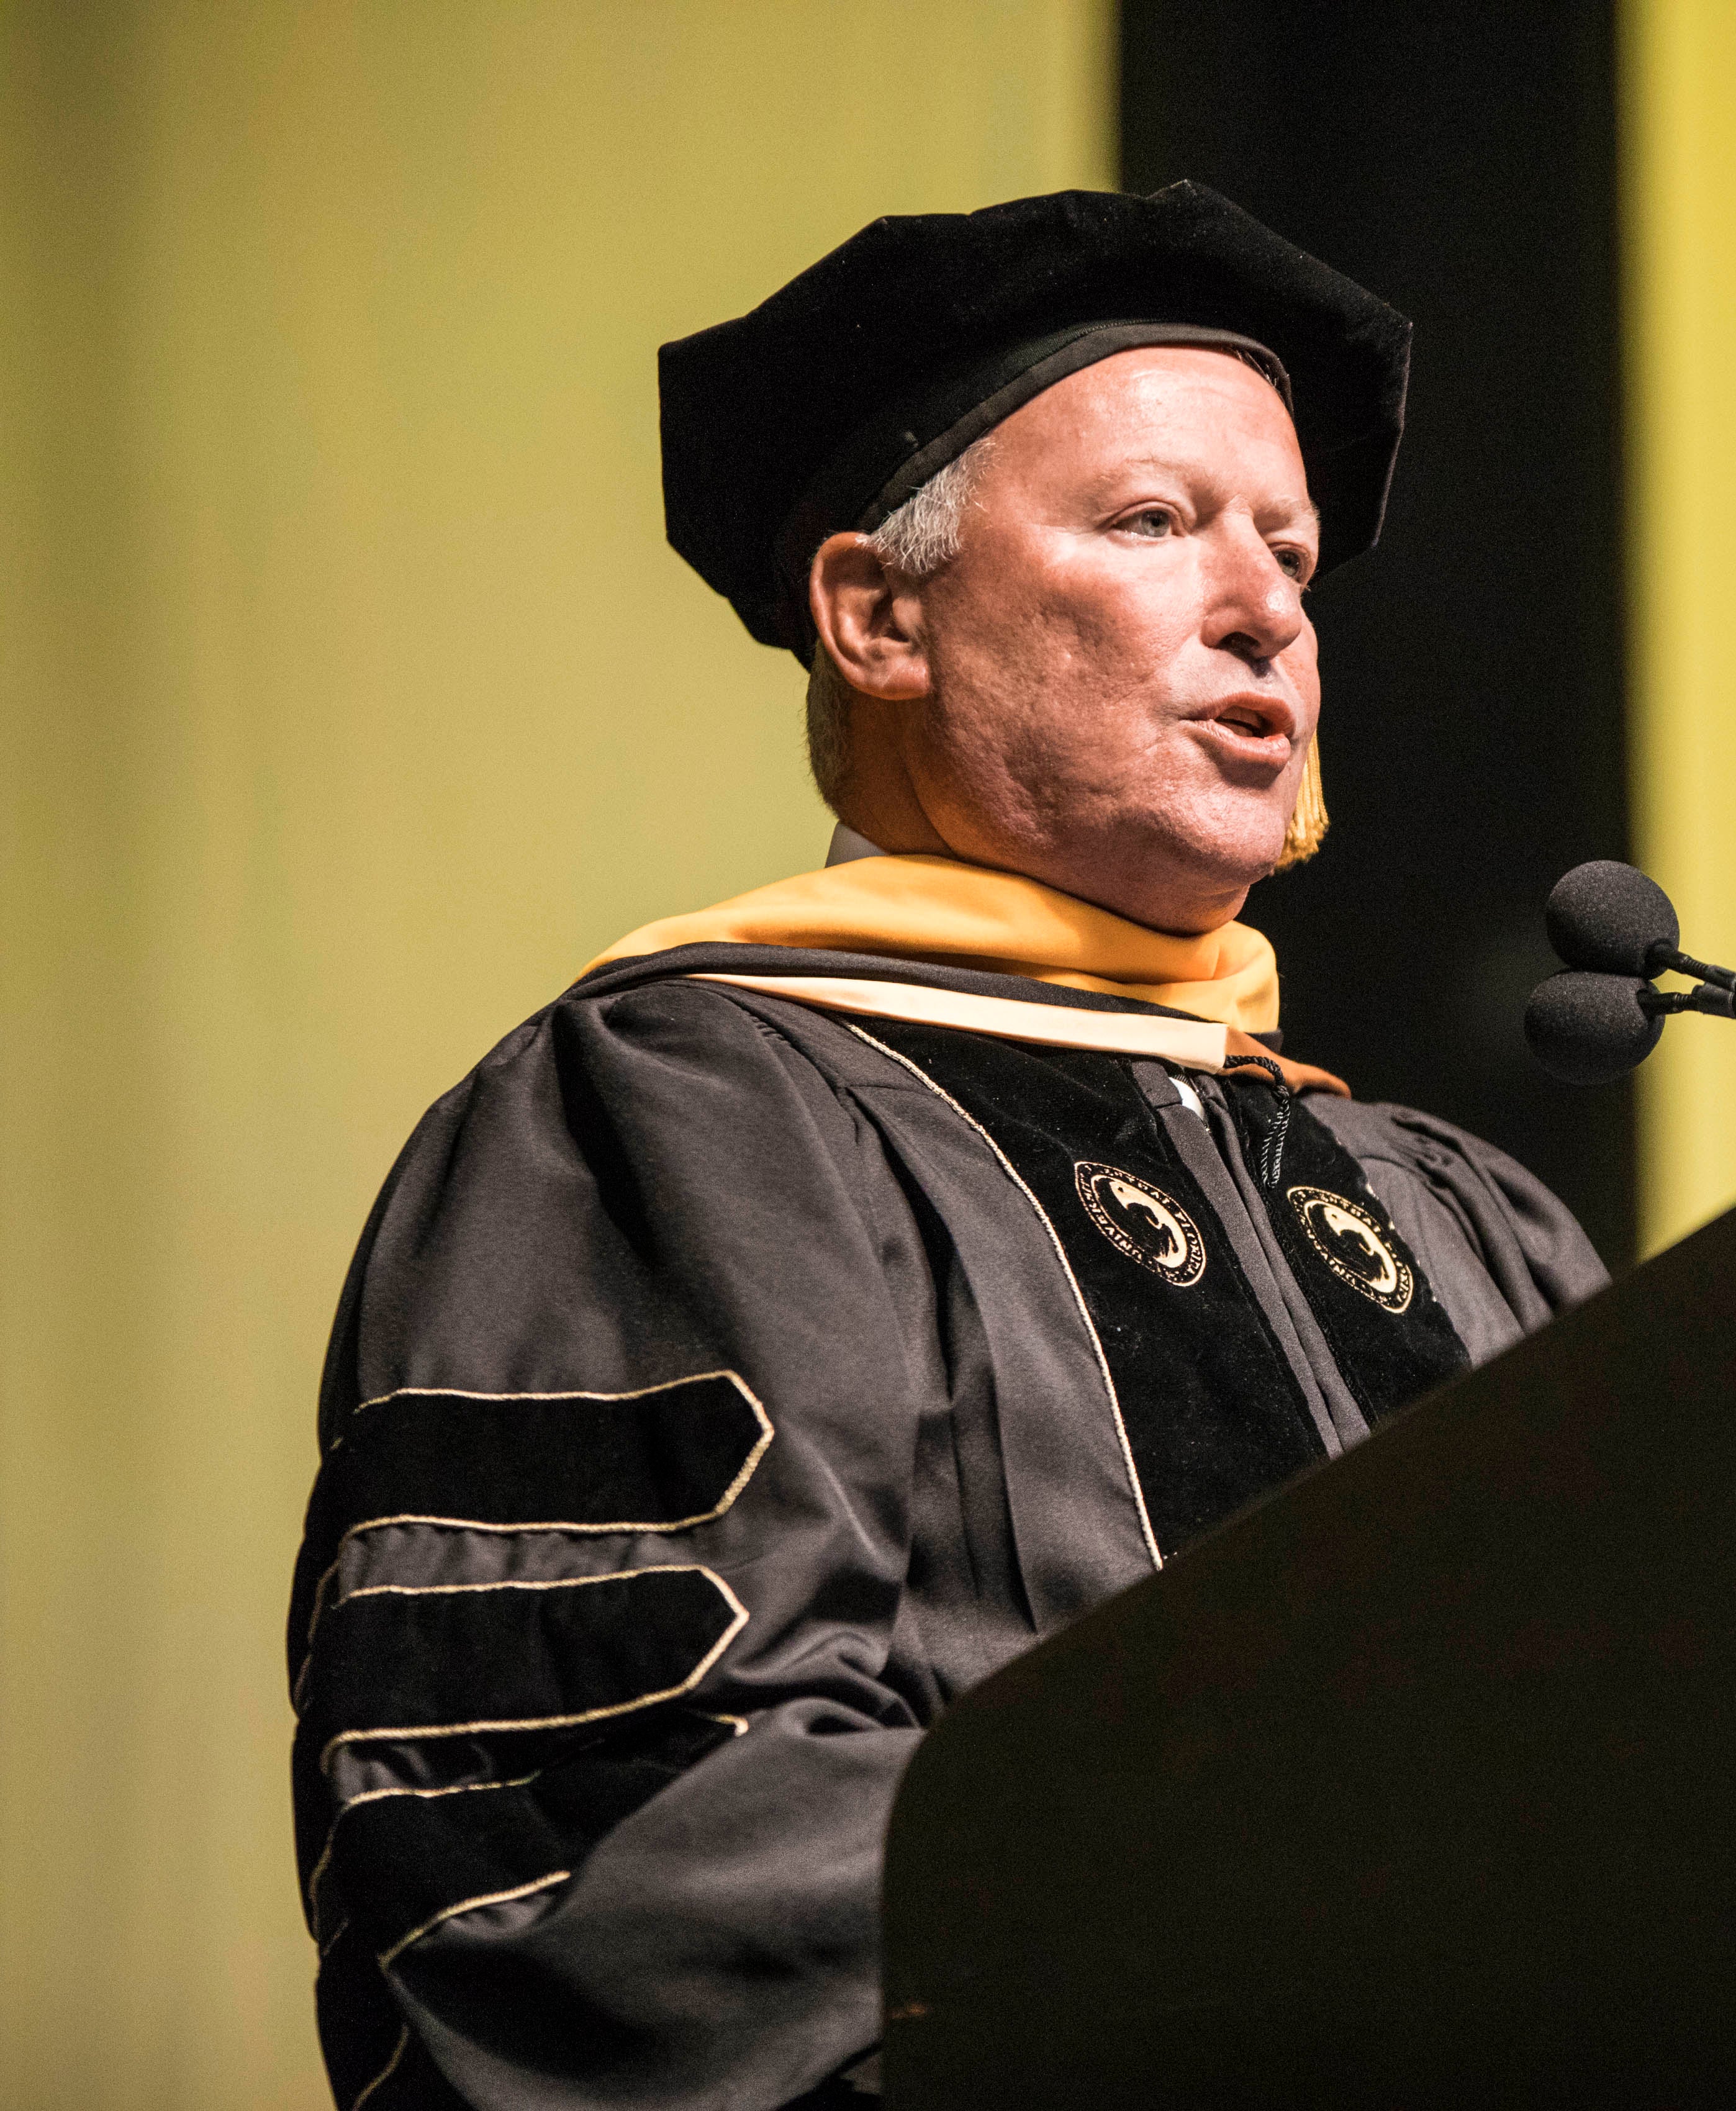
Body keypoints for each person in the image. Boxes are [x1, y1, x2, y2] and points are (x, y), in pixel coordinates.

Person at [285, 183, 1607, 2111]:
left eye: (1293, 557)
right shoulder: (686, 1116)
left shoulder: (1443, 1207)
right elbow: (611, 1825)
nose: (1264, 610)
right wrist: (1338, 1931)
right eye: (1154, 524)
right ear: (879, 616)